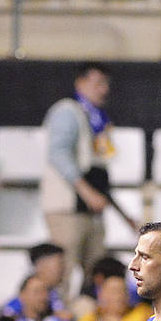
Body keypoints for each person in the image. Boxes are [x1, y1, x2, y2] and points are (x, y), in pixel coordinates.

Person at [41, 62, 116, 283]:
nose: (104, 90)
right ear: (80, 83)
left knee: (96, 273)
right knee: (64, 272)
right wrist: (87, 192)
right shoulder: (67, 111)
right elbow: (58, 154)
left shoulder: (97, 119)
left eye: (106, 84)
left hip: (90, 211)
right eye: (98, 83)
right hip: (68, 209)